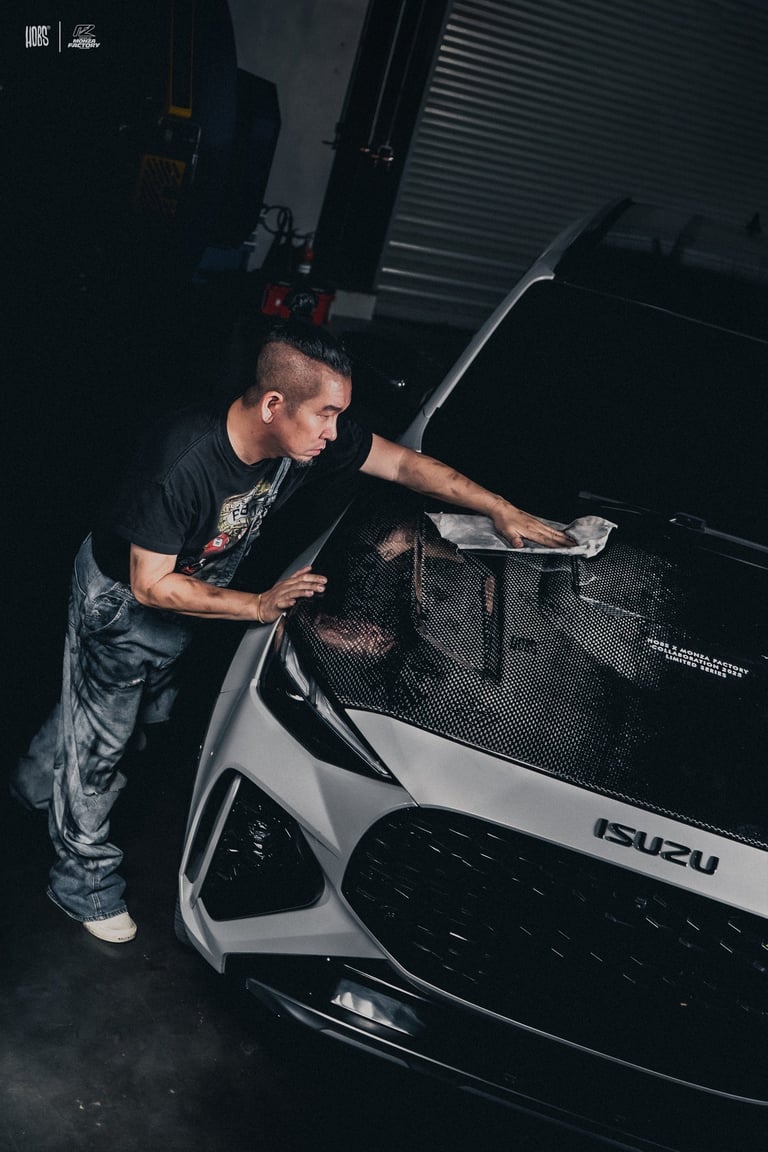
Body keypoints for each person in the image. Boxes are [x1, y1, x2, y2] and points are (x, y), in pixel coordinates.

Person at [11, 319, 572, 943]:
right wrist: (259, 605)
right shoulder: (183, 460)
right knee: (103, 746)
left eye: (340, 416)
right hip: (123, 605)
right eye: (326, 415)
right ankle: (80, 882)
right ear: (274, 405)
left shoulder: (306, 438)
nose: (335, 432)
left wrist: (498, 508)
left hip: (193, 598)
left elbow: (403, 464)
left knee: (132, 718)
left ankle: (35, 784)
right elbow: (150, 586)